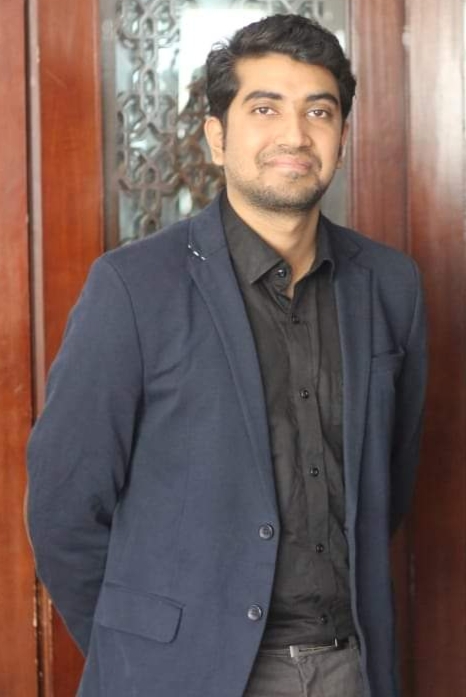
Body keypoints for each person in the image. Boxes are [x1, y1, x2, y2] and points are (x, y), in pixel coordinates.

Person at [26, 14, 427, 697]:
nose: (294, 134)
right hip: (180, 675)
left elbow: (388, 482)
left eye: (319, 111)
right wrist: (146, 651)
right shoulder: (134, 287)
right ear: (217, 137)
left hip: (348, 666)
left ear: (342, 136)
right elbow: (64, 508)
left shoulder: (392, 285)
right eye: (264, 108)